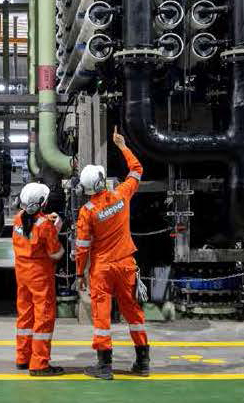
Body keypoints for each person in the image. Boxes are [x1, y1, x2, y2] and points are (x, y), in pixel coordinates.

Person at [74, 128, 149, 379]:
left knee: (102, 316)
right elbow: (137, 170)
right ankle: (143, 361)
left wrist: (79, 274)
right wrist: (122, 146)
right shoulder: (121, 195)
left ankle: (104, 366)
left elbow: (82, 246)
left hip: (102, 270)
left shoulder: (87, 211)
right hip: (126, 265)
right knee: (133, 313)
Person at [12, 181, 64, 376]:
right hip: (40, 276)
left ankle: (23, 358)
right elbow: (55, 253)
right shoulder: (45, 226)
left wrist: (47, 222)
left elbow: (30, 229)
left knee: (25, 315)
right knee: (43, 317)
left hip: (22, 275)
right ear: (41, 203)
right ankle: (40, 363)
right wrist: (55, 227)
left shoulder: (17, 219)